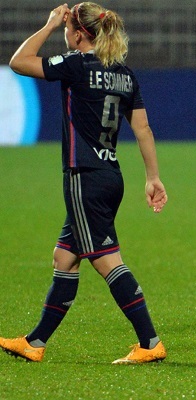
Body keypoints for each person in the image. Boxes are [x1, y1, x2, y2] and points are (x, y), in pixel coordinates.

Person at [0, 3, 167, 364]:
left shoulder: (76, 64)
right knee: (65, 257)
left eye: (67, 29)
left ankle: (150, 343)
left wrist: (47, 24)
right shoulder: (124, 74)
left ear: (78, 34)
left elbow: (18, 61)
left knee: (107, 261)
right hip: (111, 176)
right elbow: (143, 130)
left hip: (84, 176)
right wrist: (153, 177)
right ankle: (35, 341)